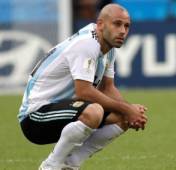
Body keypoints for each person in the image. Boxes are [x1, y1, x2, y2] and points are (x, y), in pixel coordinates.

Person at [18, 3, 148, 170]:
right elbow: (84, 92)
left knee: (122, 117)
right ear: (100, 24)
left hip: (61, 110)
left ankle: (70, 165)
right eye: (117, 24)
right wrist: (127, 109)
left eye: (127, 26)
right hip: (35, 117)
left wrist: (130, 112)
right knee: (94, 111)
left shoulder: (109, 48)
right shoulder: (87, 44)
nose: (122, 31)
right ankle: (50, 166)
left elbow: (108, 88)